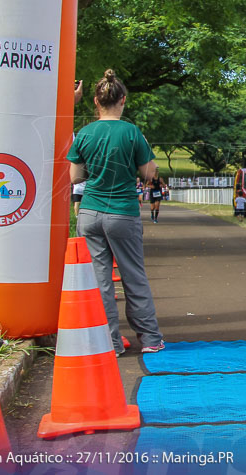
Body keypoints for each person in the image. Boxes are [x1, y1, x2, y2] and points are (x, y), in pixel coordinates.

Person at [67, 69, 164, 356]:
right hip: (123, 211)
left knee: (99, 281)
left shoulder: (85, 133)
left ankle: (108, 341)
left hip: (90, 212)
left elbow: (75, 177)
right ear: (123, 100)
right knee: (134, 276)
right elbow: (148, 173)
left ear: (96, 101)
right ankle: (149, 339)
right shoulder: (132, 132)